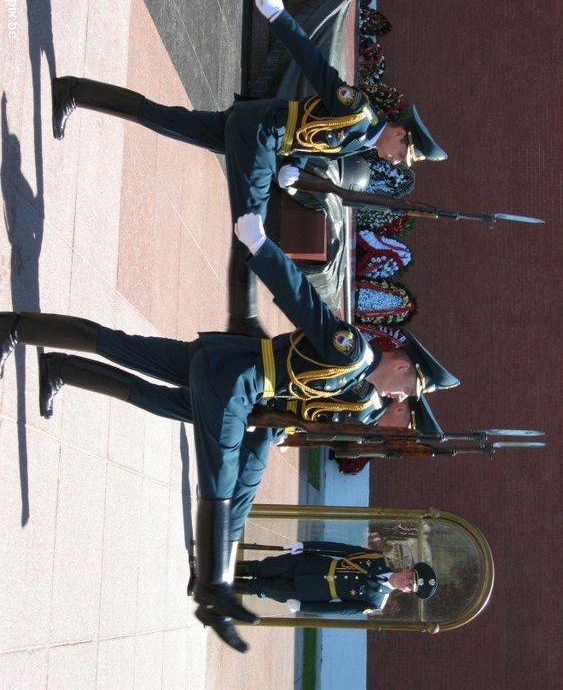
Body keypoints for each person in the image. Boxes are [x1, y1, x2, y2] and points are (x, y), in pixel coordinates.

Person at [0, 214, 456, 652]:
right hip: (237, 385)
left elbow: (304, 406)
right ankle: (213, 584)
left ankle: (33, 342)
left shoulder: (357, 386)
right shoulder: (352, 353)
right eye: (410, 388)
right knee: (217, 477)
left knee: (126, 355)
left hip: (232, 373)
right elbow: (304, 302)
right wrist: (261, 247)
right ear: (401, 365)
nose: (403, 398)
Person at [50, 0, 447, 337]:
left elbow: (312, 133)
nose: (397, 161)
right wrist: (279, 18)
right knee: (250, 230)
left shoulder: (361, 137)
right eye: (404, 153)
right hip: (261, 135)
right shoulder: (358, 112)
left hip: (261, 132)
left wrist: (296, 166)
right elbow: (315, 67)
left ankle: (73, 90)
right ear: (400, 132)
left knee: (165, 119)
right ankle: (243, 319)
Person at [235, 541, 438, 615]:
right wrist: (307, 545)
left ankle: (217, 584)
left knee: (259, 588)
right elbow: (342, 549)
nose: (407, 582)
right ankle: (216, 569)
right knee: (260, 567)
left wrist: (305, 607)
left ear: (406, 592)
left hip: (310, 592)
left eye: (410, 586)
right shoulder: (377, 559)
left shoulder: (376, 602)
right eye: (410, 577)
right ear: (407, 570)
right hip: (308, 564)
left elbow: (339, 609)